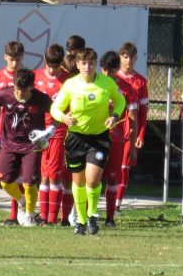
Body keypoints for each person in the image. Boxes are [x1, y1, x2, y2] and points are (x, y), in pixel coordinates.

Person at [50, 48, 126, 235]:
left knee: (92, 181)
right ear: (77, 64)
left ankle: (92, 215)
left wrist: (114, 116)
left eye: (91, 63)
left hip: (99, 138)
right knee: (79, 182)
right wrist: (63, 118)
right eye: (83, 63)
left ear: (95, 64)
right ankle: (81, 221)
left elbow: (120, 101)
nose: (87, 66)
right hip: (76, 138)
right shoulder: (70, 85)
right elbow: (55, 108)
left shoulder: (106, 83)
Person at [0, 68, 55, 227]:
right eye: (17, 89)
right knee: (4, 181)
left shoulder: (42, 99)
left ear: (32, 87)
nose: (19, 93)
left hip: (31, 145)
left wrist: (49, 131)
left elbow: (57, 114)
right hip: (9, 143)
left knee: (29, 182)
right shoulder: (5, 94)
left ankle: (29, 215)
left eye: (24, 90)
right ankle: (21, 201)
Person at [34, 44, 71, 225]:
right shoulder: (36, 77)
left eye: (55, 66)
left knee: (54, 173)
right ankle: (43, 216)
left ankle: (51, 218)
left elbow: (71, 109)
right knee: (43, 174)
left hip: (57, 131)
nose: (52, 69)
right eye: (49, 65)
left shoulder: (68, 80)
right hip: (39, 130)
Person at [0, 41, 24, 225]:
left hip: (19, 134)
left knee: (16, 174)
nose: (15, 63)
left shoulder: (26, 78)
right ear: (5, 57)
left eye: (18, 59)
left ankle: (15, 215)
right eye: (11, 59)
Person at [100, 51, 138, 227]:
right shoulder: (95, 84)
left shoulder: (126, 88)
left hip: (116, 139)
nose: (107, 74)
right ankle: (87, 215)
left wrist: (132, 146)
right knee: (92, 177)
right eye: (104, 70)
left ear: (117, 69)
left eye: (111, 71)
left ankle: (110, 217)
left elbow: (132, 117)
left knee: (113, 178)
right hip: (95, 137)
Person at [115, 42, 148, 211]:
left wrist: (141, 134)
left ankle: (117, 205)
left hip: (130, 132)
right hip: (111, 130)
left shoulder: (140, 82)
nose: (128, 61)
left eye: (131, 58)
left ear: (136, 59)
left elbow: (143, 111)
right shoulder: (112, 79)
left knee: (124, 168)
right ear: (120, 57)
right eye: (125, 57)